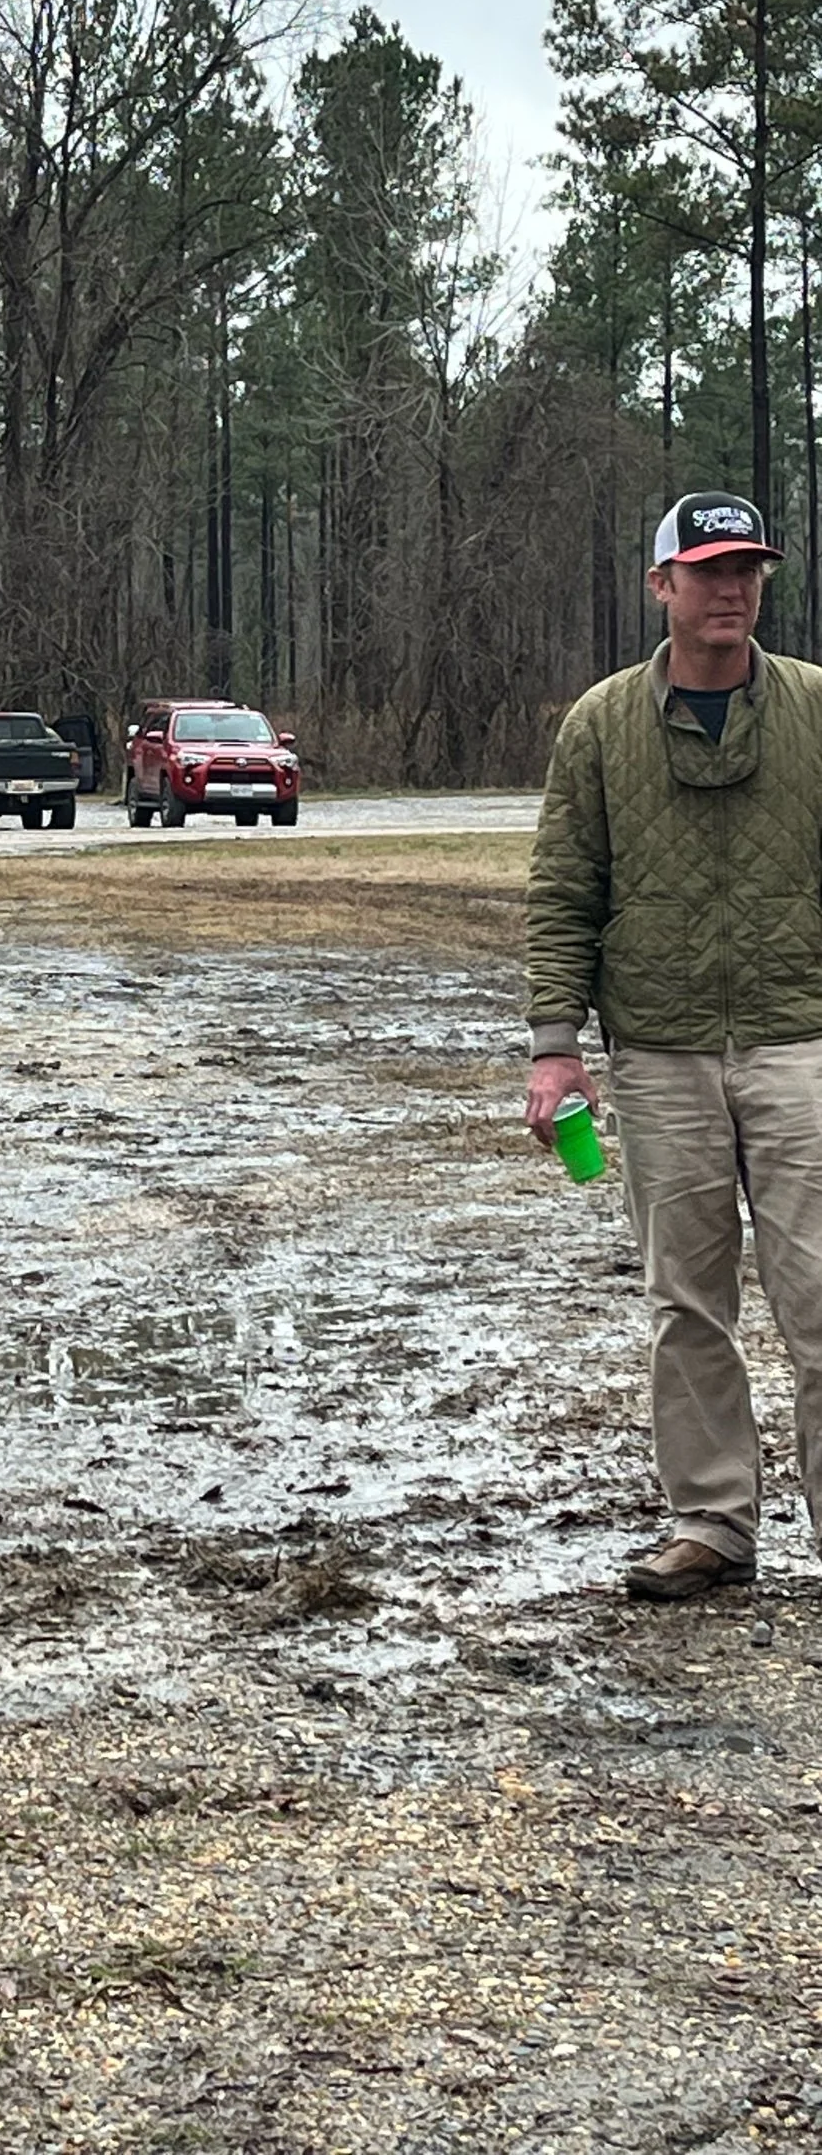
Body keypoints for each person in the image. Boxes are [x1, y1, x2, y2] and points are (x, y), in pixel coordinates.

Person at [525, 490, 822, 1599]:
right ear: (661, 585)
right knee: (686, 1303)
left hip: (802, 1041)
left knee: (820, 1298)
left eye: (747, 569)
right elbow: (564, 890)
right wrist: (555, 1045)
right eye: (707, 571)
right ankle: (712, 1523)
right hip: (658, 1054)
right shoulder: (600, 723)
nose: (731, 589)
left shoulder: (815, 708)